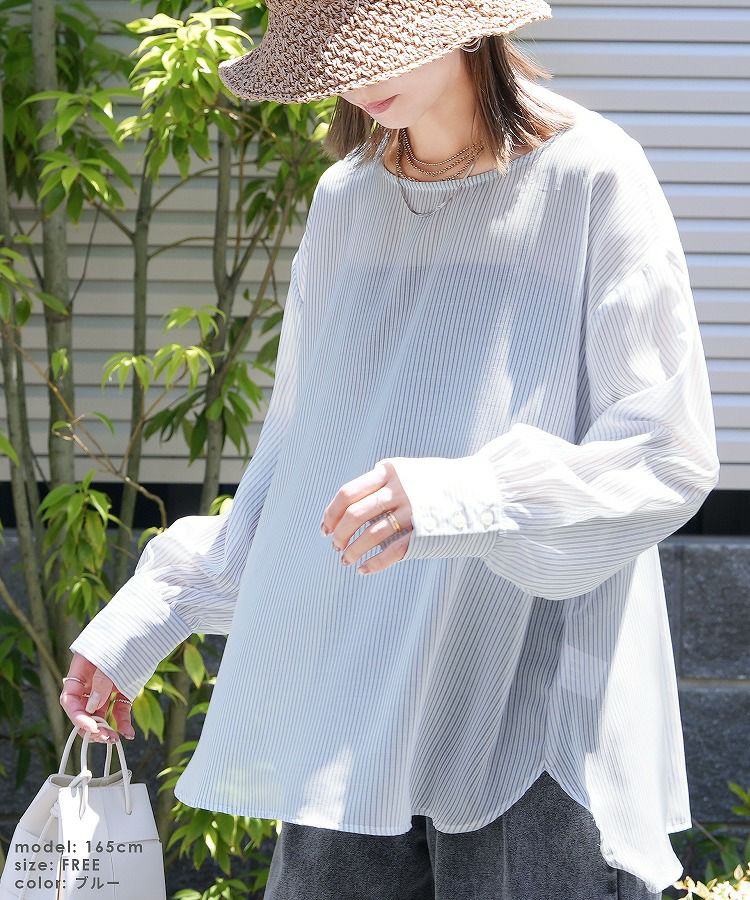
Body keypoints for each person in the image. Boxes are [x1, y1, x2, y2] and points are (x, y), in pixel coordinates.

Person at [60, 1, 721, 898]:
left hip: (530, 696)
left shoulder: (592, 175)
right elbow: (301, 459)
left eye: (382, 43)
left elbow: (663, 451)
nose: (359, 74)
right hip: (354, 702)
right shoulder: (348, 200)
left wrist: (462, 498)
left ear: (465, 24)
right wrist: (154, 612)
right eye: (337, 52)